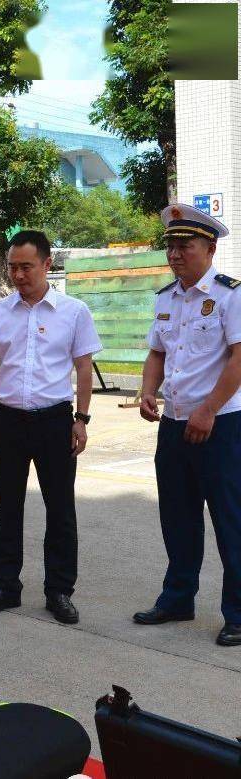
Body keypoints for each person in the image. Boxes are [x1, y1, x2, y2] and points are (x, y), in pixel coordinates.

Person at [0, 230, 101, 625]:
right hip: (8, 420)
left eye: (26, 266)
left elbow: (83, 367)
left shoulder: (74, 312)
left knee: (60, 508)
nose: (19, 275)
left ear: (47, 264)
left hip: (54, 421)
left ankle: (59, 591)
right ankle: (6, 587)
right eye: (13, 267)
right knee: (8, 507)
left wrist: (81, 419)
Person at [134, 204, 241, 647]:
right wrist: (146, 389)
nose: (175, 254)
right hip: (174, 424)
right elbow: (157, 353)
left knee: (230, 519)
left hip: (221, 425)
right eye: (170, 246)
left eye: (185, 245)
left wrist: (208, 409)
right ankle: (178, 598)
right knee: (177, 517)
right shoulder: (166, 297)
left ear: (210, 248)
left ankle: (237, 613)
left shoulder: (230, 295)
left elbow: (239, 358)